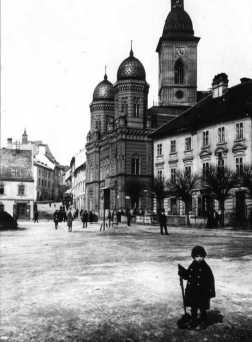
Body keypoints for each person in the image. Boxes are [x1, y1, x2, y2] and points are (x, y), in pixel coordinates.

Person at [178, 246, 215, 330]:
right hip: (193, 291)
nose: (199, 258)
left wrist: (211, 291)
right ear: (194, 257)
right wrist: (182, 272)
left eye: (201, 256)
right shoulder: (193, 265)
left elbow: (211, 280)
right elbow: (188, 275)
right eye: (197, 256)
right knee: (193, 307)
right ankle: (194, 320)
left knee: (202, 308)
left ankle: (203, 321)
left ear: (204, 256)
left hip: (202, 292)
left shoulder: (205, 267)